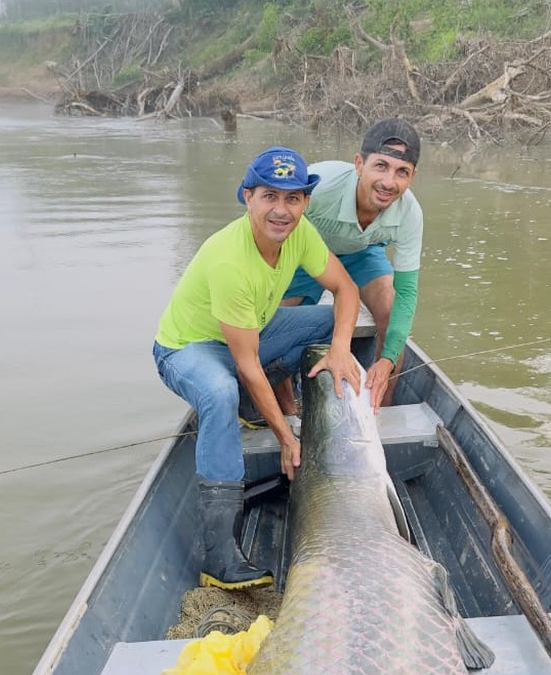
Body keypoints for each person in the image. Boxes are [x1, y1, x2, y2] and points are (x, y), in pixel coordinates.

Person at [153, 146, 363, 590]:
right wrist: (287, 438)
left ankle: (258, 401)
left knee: (329, 322)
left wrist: (341, 349)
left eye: (292, 198)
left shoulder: (300, 232)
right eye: (270, 196)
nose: (281, 210)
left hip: (249, 336)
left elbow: (345, 289)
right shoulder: (231, 260)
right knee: (221, 394)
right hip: (188, 349)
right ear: (247, 197)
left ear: (306, 203)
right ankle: (219, 556)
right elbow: (246, 364)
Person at [282, 117, 423, 408]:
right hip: (305, 253)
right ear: (359, 164)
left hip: (362, 251)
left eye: (401, 172)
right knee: (275, 324)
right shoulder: (317, 185)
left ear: (412, 177)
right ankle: (289, 411)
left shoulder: (410, 213)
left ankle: (380, 411)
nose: (388, 182)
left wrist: (386, 359)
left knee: (390, 307)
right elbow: (265, 222)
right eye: (380, 166)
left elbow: (407, 293)